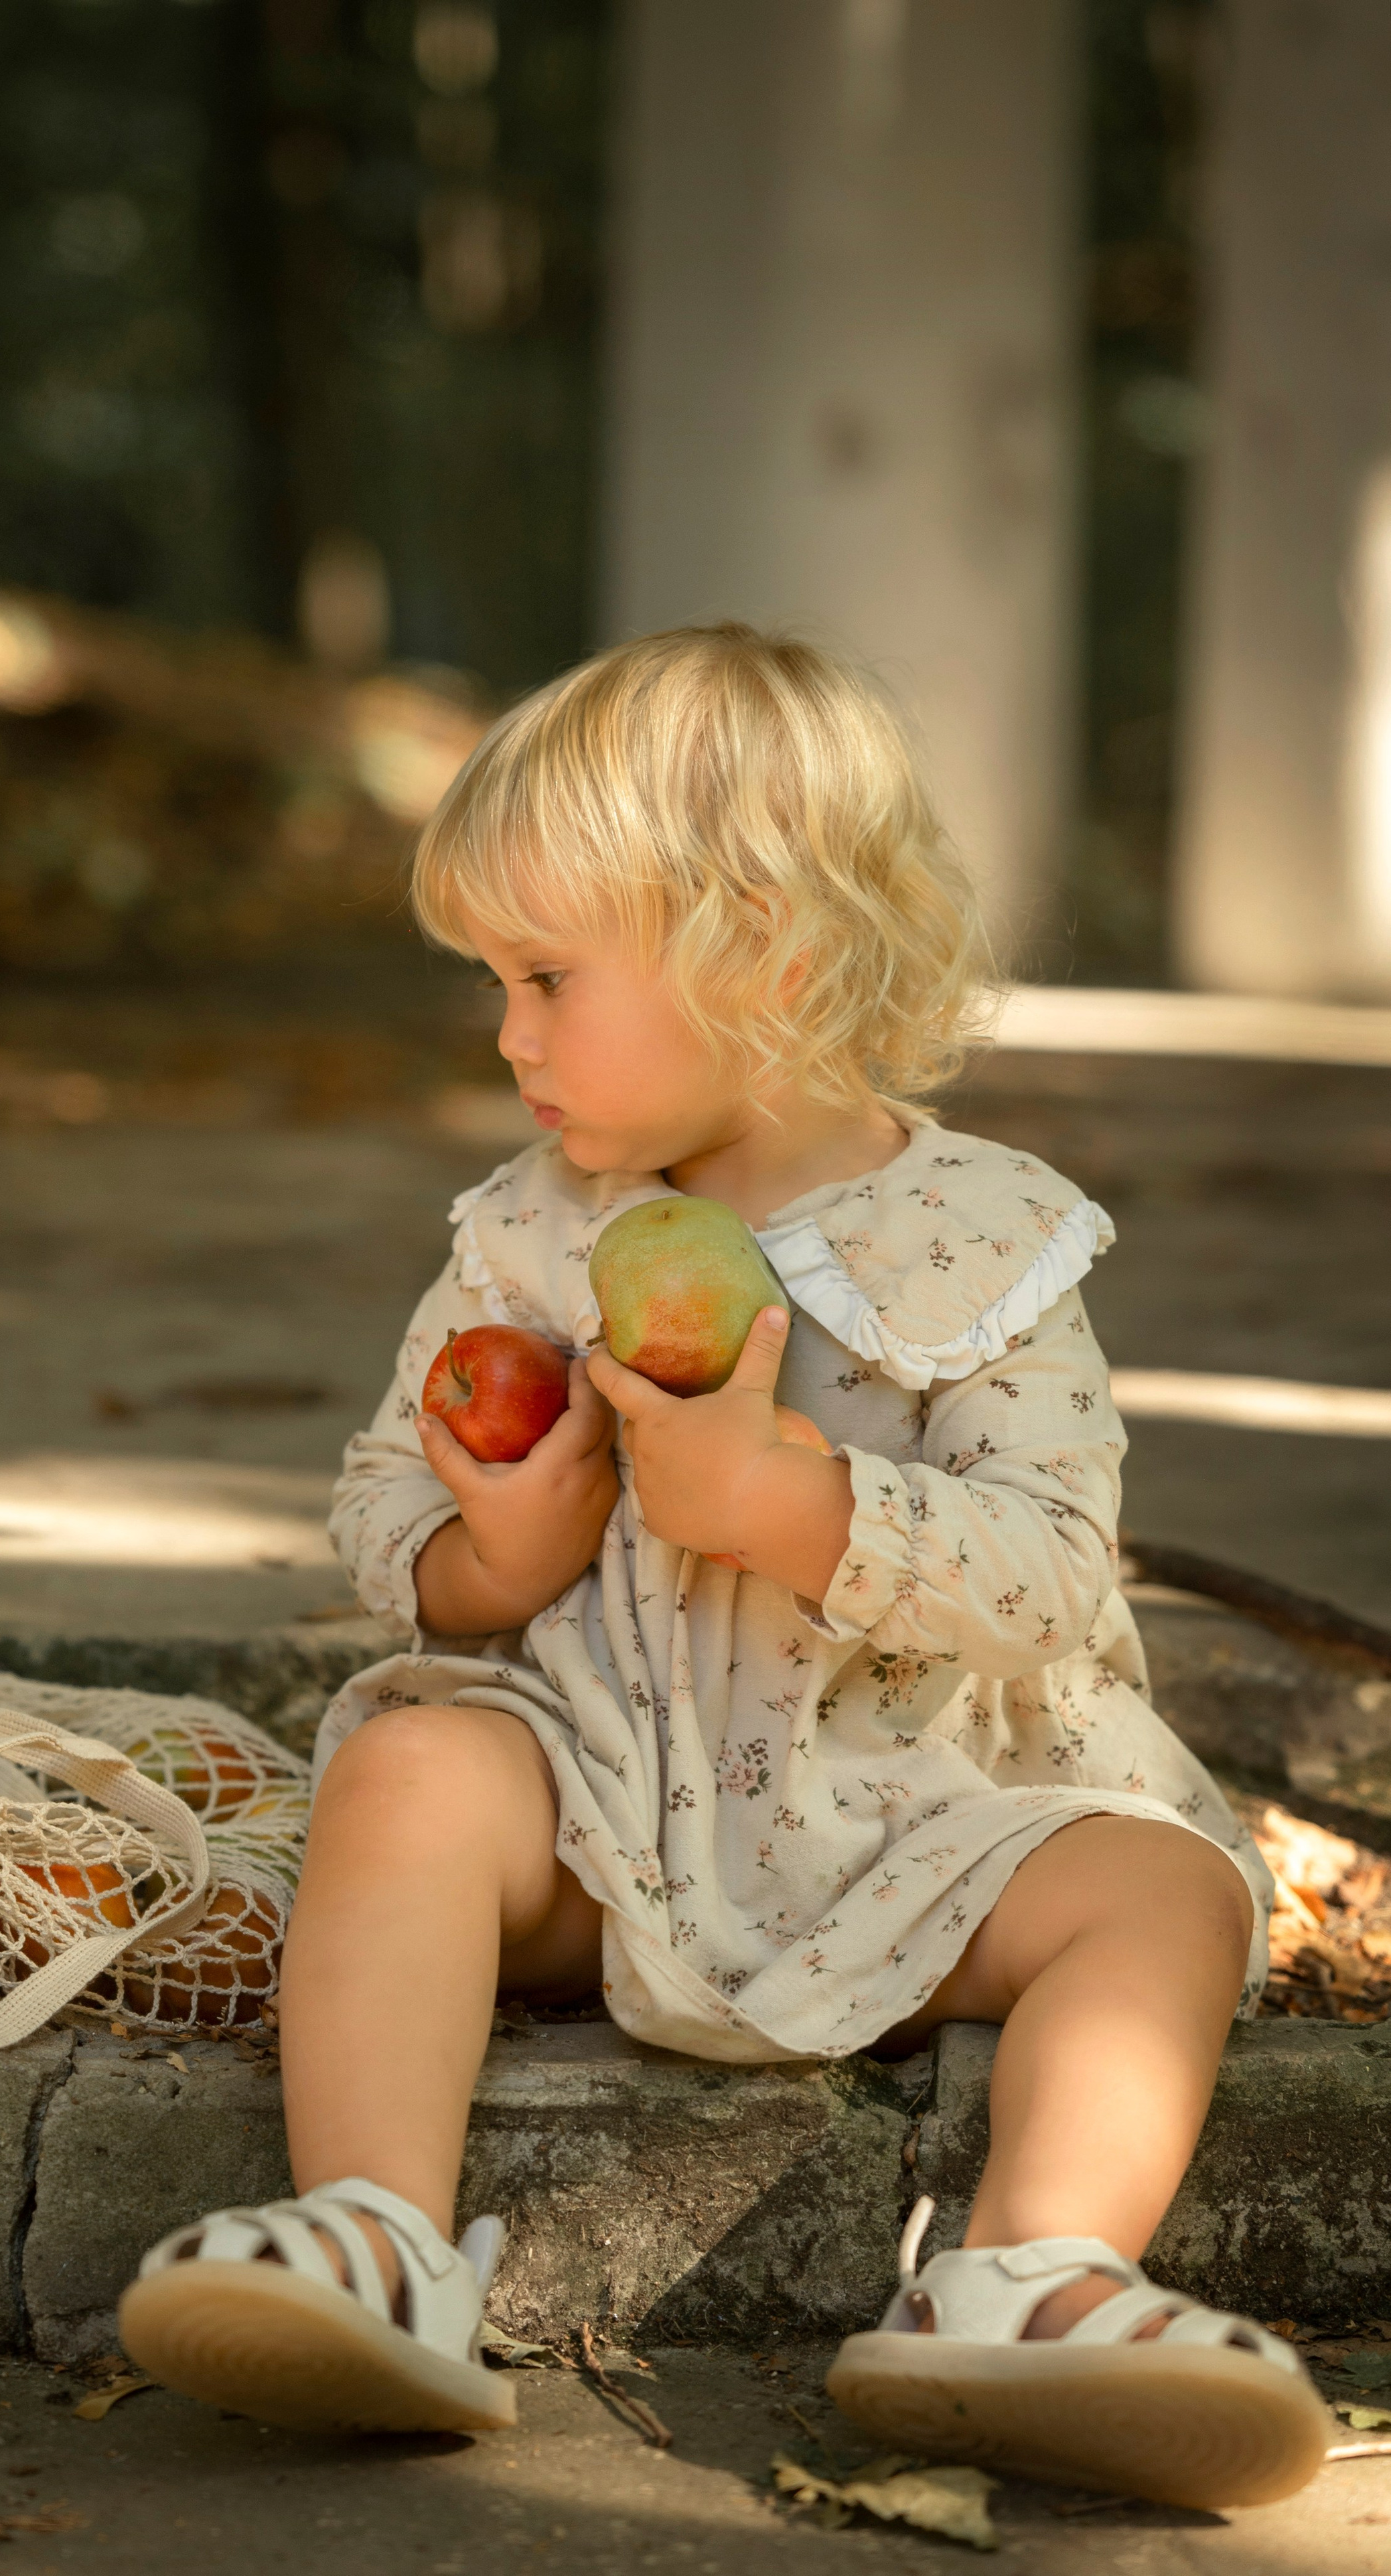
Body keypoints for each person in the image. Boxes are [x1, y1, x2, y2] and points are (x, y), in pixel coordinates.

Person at [118, 625, 1329, 2506]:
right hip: (609, 1807)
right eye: (491, 983)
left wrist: (792, 1505)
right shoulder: (531, 1238)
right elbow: (379, 1504)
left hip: (930, 1825)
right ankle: (370, 2237)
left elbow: (1056, 1576)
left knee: (1165, 1892)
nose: (508, 1036)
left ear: (760, 950)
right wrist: (487, 1551)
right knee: (415, 1766)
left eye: (543, 977)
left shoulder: (987, 1240)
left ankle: (1037, 2278)